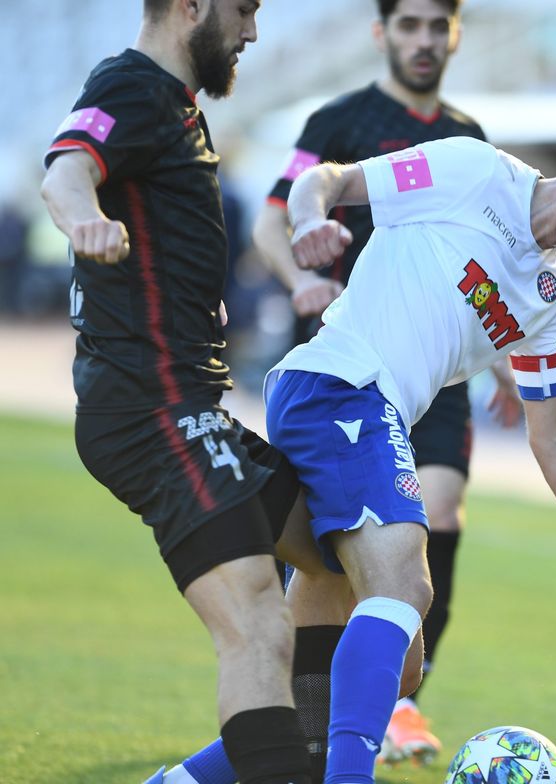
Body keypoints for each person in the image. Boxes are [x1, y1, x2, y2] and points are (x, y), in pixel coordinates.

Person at [267, 131, 556, 784]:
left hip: (364, 412)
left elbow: (553, 433)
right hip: (339, 385)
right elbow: (328, 180)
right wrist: (308, 221)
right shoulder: (475, 173)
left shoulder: (551, 296)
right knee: (405, 590)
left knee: (374, 672)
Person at [38, 3, 326, 783]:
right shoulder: (131, 85)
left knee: (334, 557)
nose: (253, 32)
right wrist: (84, 219)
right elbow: (65, 170)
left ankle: (213, 775)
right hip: (151, 410)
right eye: (244, 9)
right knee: (257, 621)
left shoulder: (177, 106)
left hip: (190, 405)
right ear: (192, 5)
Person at [252, 0, 521, 769]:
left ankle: (399, 701)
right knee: (328, 558)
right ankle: (303, 710)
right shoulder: (339, 122)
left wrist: (504, 360)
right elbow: (274, 219)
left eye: (438, 26)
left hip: (432, 375)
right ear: (382, 34)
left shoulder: (469, 139)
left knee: (438, 511)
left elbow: (483, 270)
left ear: (455, 35)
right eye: (409, 25)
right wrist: (301, 280)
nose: (424, 40)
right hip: (349, 365)